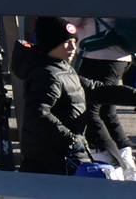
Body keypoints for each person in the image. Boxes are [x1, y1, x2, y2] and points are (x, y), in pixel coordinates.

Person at [12, 16, 136, 175]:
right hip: (48, 160)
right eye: (67, 42)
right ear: (52, 44)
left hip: (64, 155)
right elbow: (39, 113)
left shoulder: (63, 69)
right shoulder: (46, 75)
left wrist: (133, 96)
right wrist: (71, 140)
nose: (73, 47)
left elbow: (96, 90)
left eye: (74, 41)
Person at [65, 16, 136, 178]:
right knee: (107, 113)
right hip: (121, 53)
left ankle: (113, 164)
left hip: (98, 53)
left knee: (90, 111)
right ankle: (128, 167)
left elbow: (72, 20)